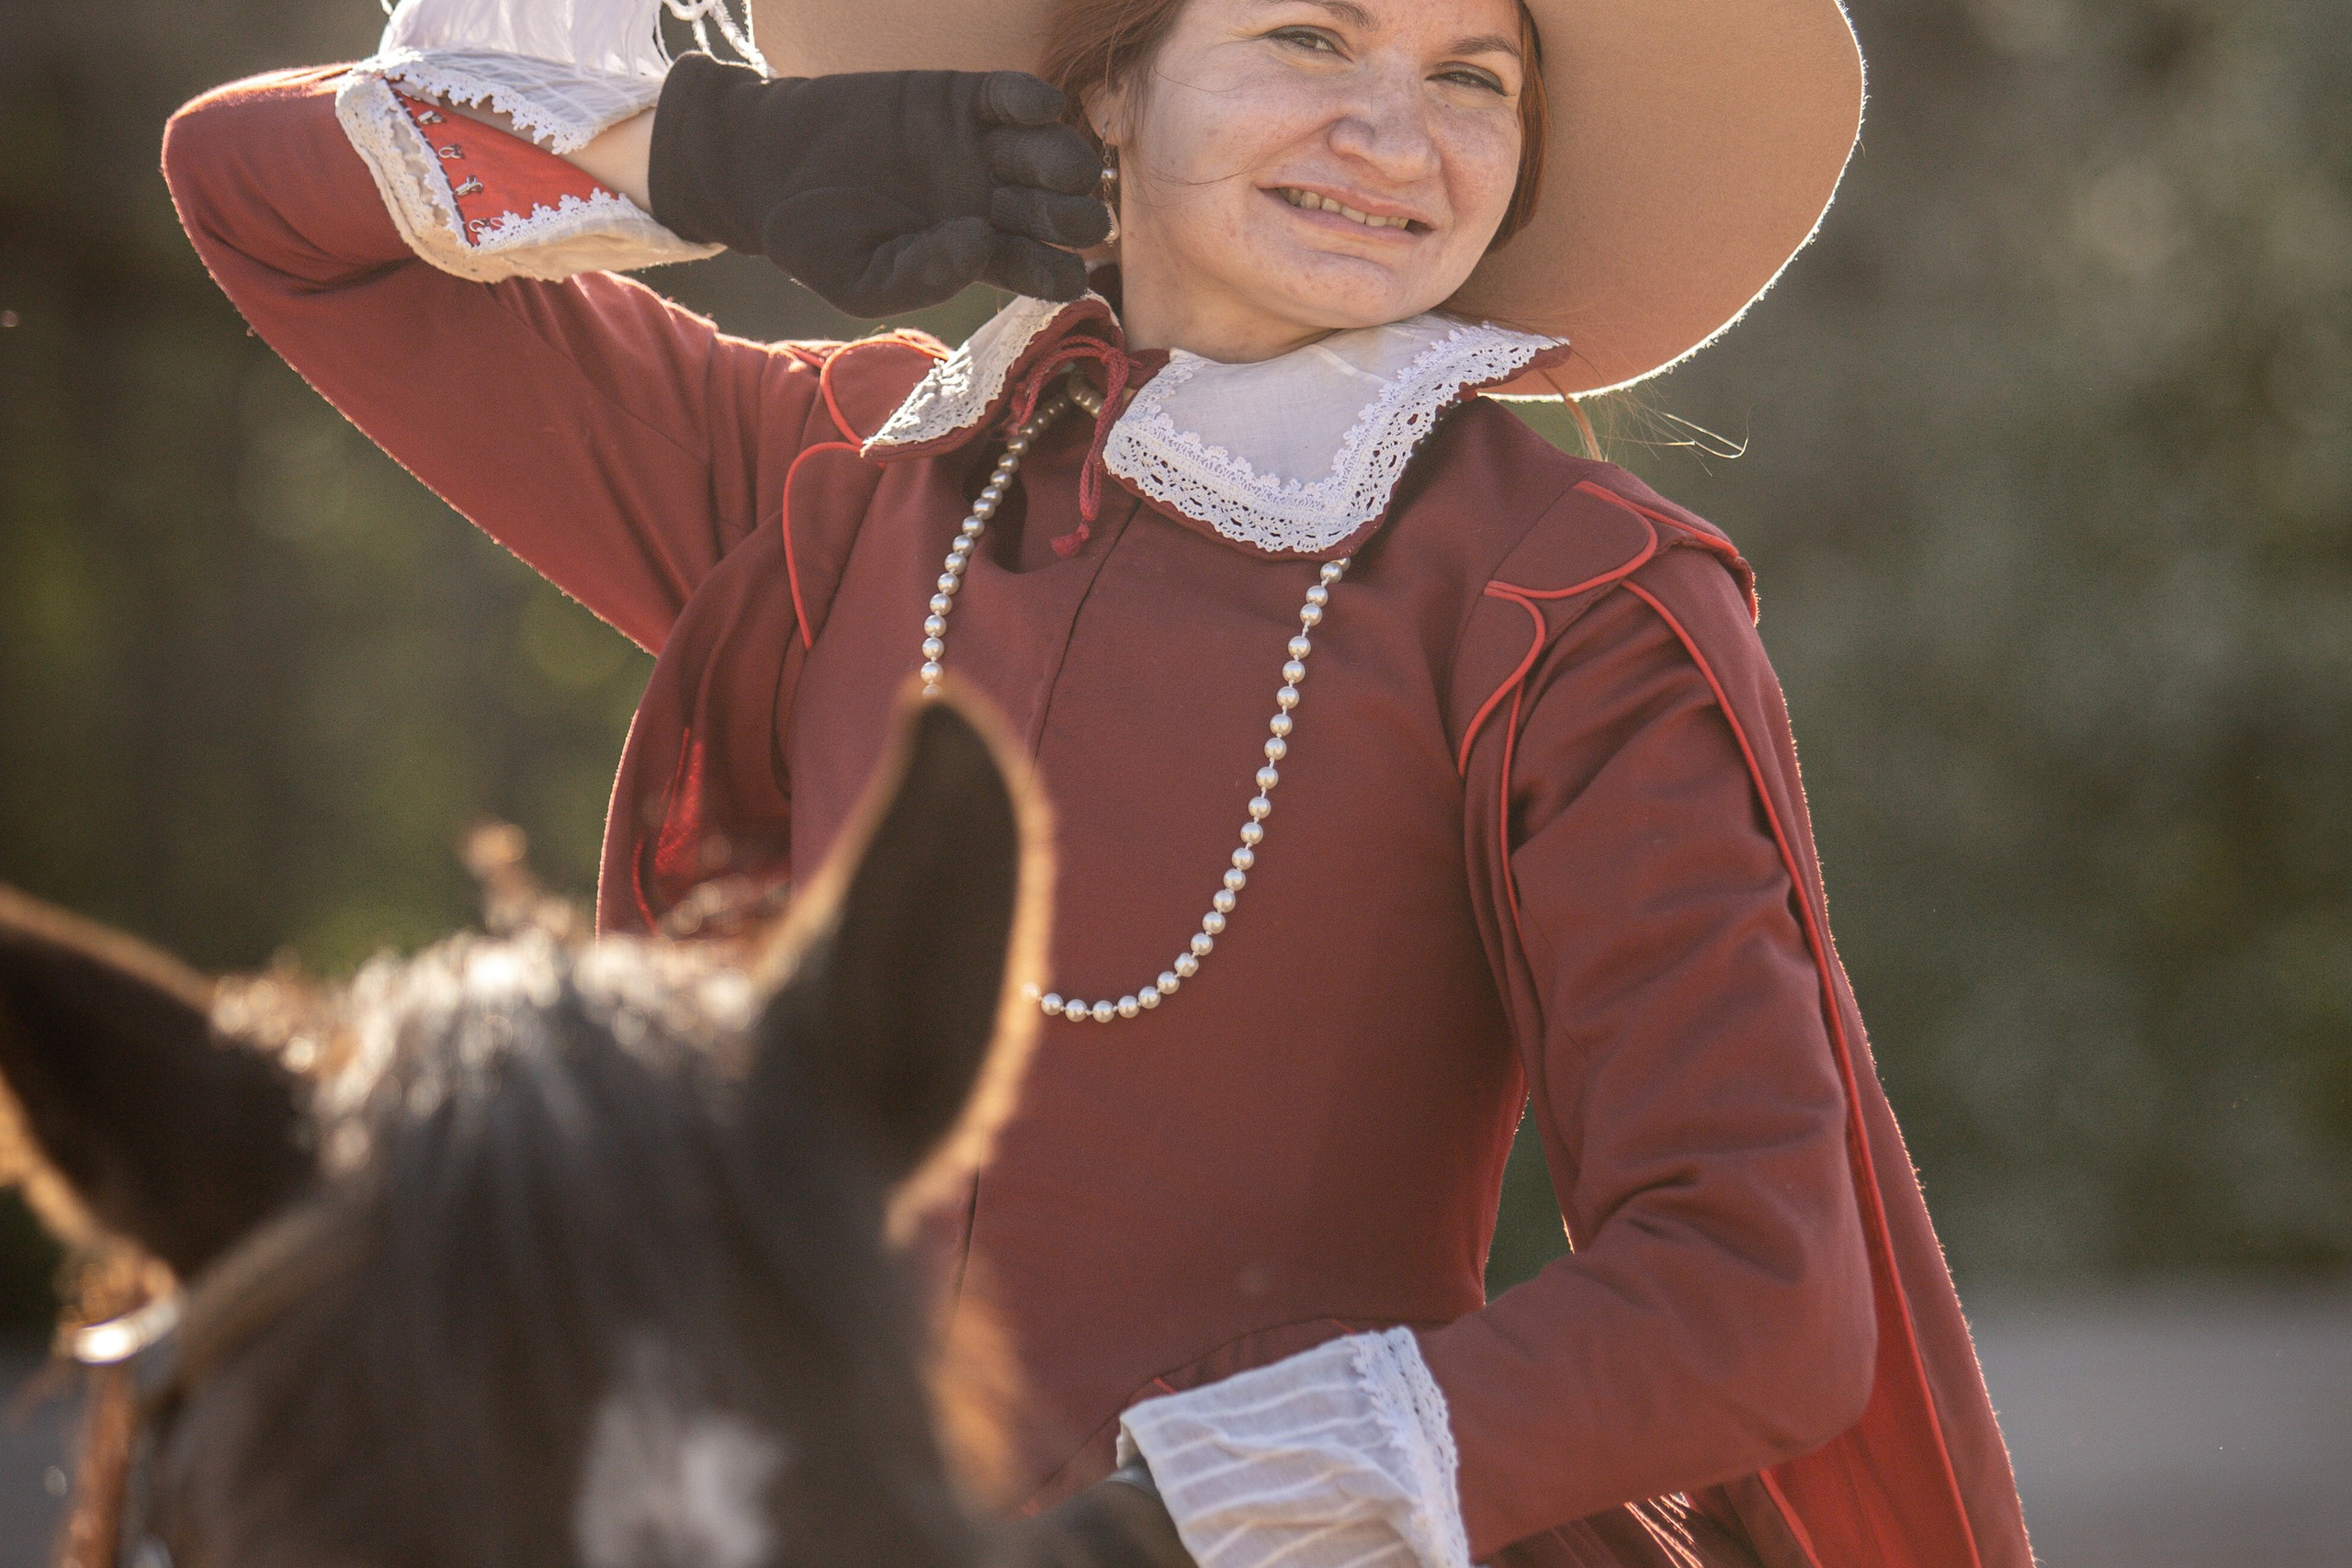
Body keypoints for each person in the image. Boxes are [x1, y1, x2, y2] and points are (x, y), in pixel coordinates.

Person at [160, 0, 2038, 1564]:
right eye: (1310, 32)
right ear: (1104, 89)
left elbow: (1752, 1293)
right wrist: (714, 159)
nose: (1395, 132)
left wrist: (1147, 1532)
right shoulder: (831, 485)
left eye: (1472, 74)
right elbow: (255, 197)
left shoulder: (1569, 599)